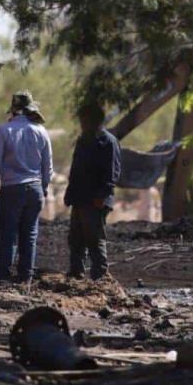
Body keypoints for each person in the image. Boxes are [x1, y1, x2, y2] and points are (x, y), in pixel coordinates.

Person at [0, 91, 53, 283]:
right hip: (35, 189)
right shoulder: (42, 132)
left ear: (13, 110)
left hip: (11, 189)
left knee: (8, 234)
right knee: (30, 234)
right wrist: (44, 187)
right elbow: (47, 166)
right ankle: (26, 278)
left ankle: (3, 276)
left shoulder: (5, 130)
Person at [64, 102, 121, 280]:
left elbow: (112, 173)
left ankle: (100, 276)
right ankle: (76, 274)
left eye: (84, 120)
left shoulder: (109, 142)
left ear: (94, 121)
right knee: (76, 239)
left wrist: (101, 197)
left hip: (96, 200)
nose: (82, 124)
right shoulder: (83, 140)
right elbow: (75, 169)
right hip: (80, 198)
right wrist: (70, 193)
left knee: (95, 240)